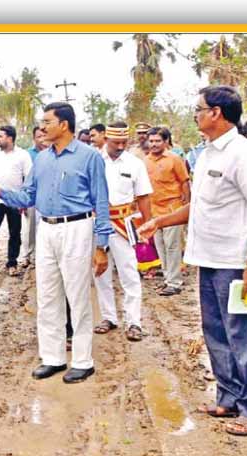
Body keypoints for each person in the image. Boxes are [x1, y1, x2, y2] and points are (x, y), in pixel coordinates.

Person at [138, 85, 247, 436]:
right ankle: (228, 397)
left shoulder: (244, 154)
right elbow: (199, 206)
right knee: (216, 332)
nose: (195, 113)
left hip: (236, 262)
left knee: (245, 334)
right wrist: (159, 221)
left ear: (216, 113)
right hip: (209, 259)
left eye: (199, 108)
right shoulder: (208, 154)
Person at [0, 102, 111, 384]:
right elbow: (28, 196)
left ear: (64, 125)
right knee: (48, 296)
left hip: (77, 226)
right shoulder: (41, 159)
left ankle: (83, 361)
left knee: (77, 296)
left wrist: (102, 246)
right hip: (46, 228)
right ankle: (53, 357)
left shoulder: (90, 157)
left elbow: (101, 202)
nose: (42, 127)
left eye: (47, 122)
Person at [93, 121, 153, 342]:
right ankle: (109, 317)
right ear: (105, 139)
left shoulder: (135, 163)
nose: (120, 146)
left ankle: (134, 322)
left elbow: (144, 196)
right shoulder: (94, 160)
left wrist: (147, 225)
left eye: (123, 142)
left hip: (124, 225)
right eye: (115, 142)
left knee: (129, 273)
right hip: (97, 223)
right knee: (100, 273)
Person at [0, 126, 33, 278]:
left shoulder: (23, 155)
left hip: (14, 200)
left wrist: (23, 201)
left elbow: (28, 178)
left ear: (10, 138)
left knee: (15, 233)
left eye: (0, 136)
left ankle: (12, 263)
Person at [144, 126, 190, 296]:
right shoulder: (144, 161)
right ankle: (167, 279)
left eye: (158, 141)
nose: (154, 144)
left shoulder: (174, 159)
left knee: (172, 246)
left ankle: (175, 282)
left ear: (165, 142)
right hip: (154, 209)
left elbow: (184, 181)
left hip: (173, 208)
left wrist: (187, 203)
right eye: (151, 141)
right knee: (160, 246)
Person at [20, 126, 47, 267]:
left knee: (44, 226)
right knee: (29, 227)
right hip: (32, 196)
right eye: (39, 137)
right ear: (34, 138)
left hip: (47, 197)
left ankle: (41, 255)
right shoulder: (28, 154)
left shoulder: (53, 153)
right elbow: (24, 178)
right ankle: (27, 255)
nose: (42, 139)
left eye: (44, 136)